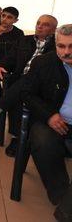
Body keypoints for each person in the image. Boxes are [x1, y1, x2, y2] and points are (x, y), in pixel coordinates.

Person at [0, 15, 57, 156]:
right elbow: (10, 59)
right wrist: (0, 66)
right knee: (19, 90)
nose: (39, 26)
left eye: (45, 25)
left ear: (54, 29)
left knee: (22, 87)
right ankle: (16, 136)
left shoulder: (58, 46)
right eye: (38, 23)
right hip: (20, 81)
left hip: (42, 86)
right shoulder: (25, 40)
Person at [21, 24, 72, 221]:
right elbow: (27, 93)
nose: (66, 52)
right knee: (43, 141)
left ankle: (66, 209)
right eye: (61, 46)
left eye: (71, 46)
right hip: (50, 121)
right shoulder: (44, 63)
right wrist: (49, 115)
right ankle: (63, 198)